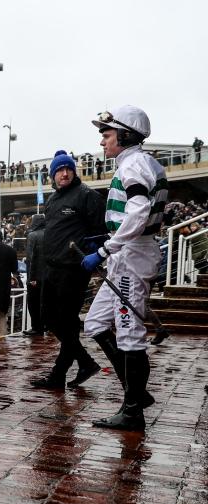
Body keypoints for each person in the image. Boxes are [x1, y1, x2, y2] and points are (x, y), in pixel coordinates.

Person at [81, 106, 166, 431]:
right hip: (126, 253)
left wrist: (104, 249)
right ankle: (137, 392)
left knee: (130, 335)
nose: (102, 142)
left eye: (107, 135)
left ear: (125, 135)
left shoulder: (134, 164)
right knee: (95, 322)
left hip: (131, 257)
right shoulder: (137, 163)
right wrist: (107, 239)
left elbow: (139, 212)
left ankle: (132, 411)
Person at [31, 150, 107, 390]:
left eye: (68, 169)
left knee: (66, 321)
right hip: (51, 268)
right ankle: (82, 364)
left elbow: (101, 231)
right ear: (53, 175)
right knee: (49, 319)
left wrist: (94, 253)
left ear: (74, 171)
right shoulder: (52, 200)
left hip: (74, 269)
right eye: (59, 170)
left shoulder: (87, 195)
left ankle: (61, 373)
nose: (64, 173)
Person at [23, 214, 46, 336]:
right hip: (49, 276)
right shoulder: (51, 234)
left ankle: (37, 327)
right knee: (47, 302)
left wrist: (31, 278)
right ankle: (47, 325)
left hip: (36, 277)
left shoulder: (32, 235)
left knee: (33, 303)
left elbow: (30, 258)